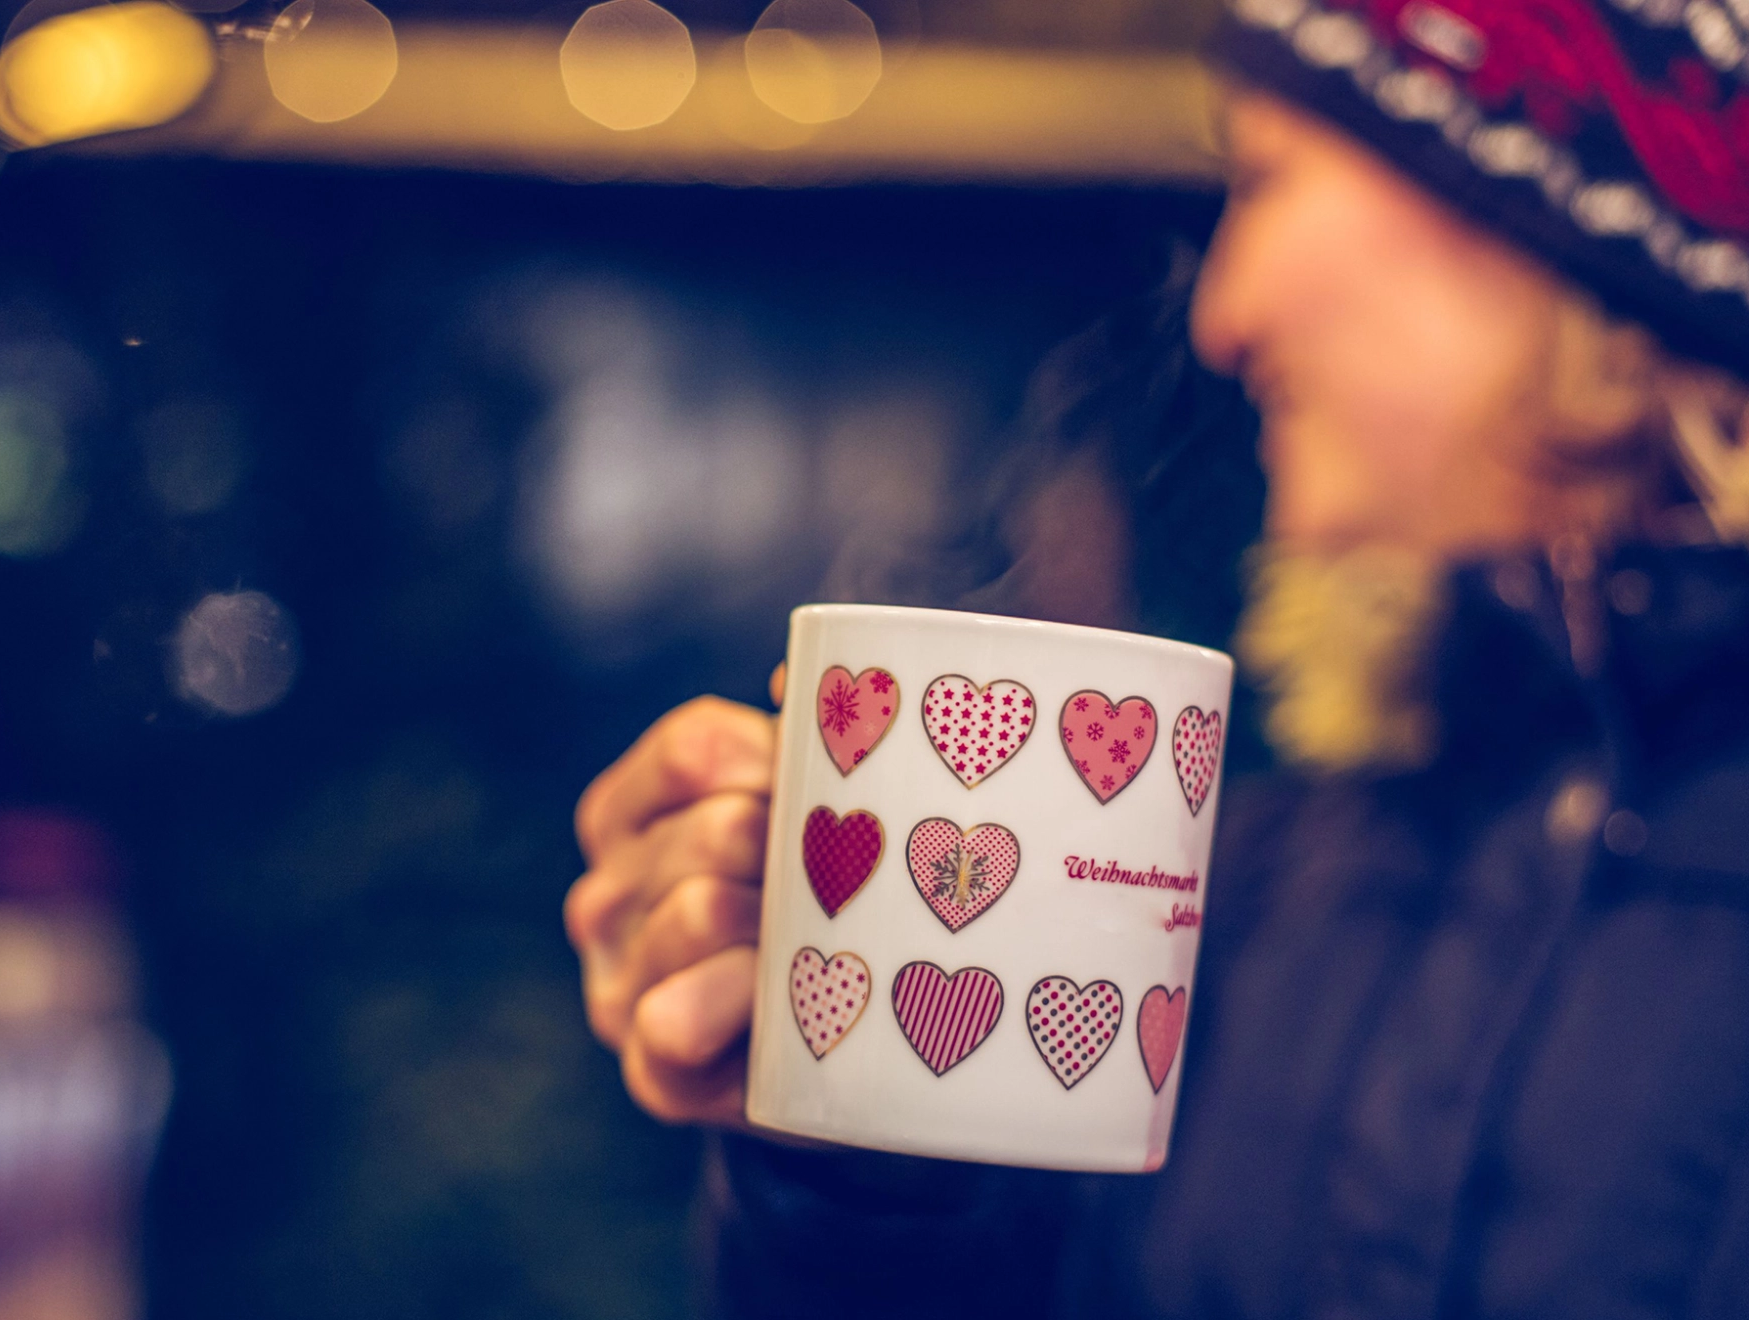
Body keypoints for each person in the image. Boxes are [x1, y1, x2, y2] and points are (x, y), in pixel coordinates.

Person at [565, 0, 1749, 1315]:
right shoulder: (1287, 873)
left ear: (1561, 218)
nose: (1221, 320)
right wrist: (855, 1156)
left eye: (1265, 180)